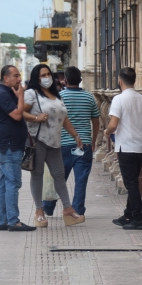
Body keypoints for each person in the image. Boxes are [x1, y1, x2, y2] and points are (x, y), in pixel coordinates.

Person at [23, 63, 85, 227]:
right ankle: (39, 211)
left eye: (48, 74)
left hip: (55, 142)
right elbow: (21, 112)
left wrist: (75, 136)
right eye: (43, 75)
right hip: (38, 140)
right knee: (37, 175)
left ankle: (67, 209)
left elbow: (63, 118)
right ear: (36, 78)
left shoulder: (56, 95)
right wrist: (36, 118)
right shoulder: (31, 93)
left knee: (59, 175)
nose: (46, 78)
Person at [42, 66, 100, 218]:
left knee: (58, 177)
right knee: (81, 180)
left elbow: (52, 121)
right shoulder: (89, 98)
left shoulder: (59, 97)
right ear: (80, 80)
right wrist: (93, 141)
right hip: (85, 144)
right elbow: (96, 122)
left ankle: (48, 206)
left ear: (64, 80)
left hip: (63, 145)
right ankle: (78, 209)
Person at [0, 65, 35, 232]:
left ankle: (2, 220)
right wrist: (21, 96)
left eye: (19, 76)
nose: (19, 79)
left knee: (4, 183)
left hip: (6, 145)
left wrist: (18, 96)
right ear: (5, 78)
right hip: (9, 146)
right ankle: (13, 221)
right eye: (15, 76)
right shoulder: (2, 94)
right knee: (13, 183)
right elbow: (17, 115)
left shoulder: (7, 93)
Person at [104, 67, 142, 230]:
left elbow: (114, 124)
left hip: (127, 147)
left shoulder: (119, 99)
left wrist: (107, 132)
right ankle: (128, 214)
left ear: (120, 81)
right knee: (133, 182)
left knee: (131, 184)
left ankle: (138, 219)